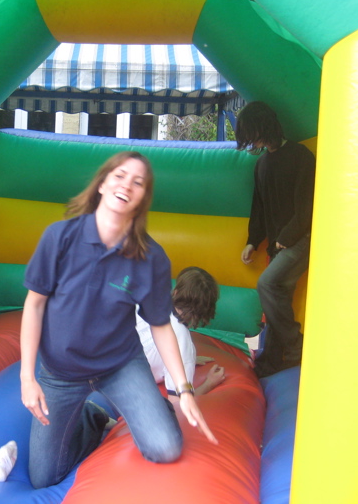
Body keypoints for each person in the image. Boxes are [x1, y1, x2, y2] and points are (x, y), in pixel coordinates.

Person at [20, 151, 217, 490]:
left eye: (138, 182)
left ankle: (142, 413)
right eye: (120, 175)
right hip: (60, 373)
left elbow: (161, 326)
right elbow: (34, 306)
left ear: (143, 199)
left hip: (120, 366)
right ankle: (92, 419)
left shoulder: (151, 258)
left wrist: (185, 390)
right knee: (43, 477)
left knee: (166, 447)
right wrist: (27, 377)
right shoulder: (60, 237)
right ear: (102, 183)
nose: (127, 185)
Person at [236, 101, 315, 378]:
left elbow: (307, 207)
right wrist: (252, 241)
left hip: (302, 239)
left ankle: (296, 346)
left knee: (266, 284)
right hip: (280, 245)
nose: (252, 142)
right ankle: (272, 361)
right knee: (277, 297)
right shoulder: (261, 165)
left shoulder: (300, 156)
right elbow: (258, 209)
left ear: (265, 128)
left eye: (252, 134)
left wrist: (284, 239)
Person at [135, 266, 226, 396]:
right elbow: (178, 403)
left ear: (176, 291)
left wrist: (188, 360)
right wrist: (209, 383)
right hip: (117, 388)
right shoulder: (181, 340)